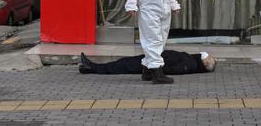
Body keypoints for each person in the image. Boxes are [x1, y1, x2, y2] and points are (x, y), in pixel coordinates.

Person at [78, 50, 216, 76]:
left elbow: (173, 69)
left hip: (152, 62)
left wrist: (155, 64)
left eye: (210, 58)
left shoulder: (191, 64)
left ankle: (92, 67)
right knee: (124, 63)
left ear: (205, 63)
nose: (210, 56)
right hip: (152, 58)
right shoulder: (192, 60)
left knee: (123, 65)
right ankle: (90, 67)